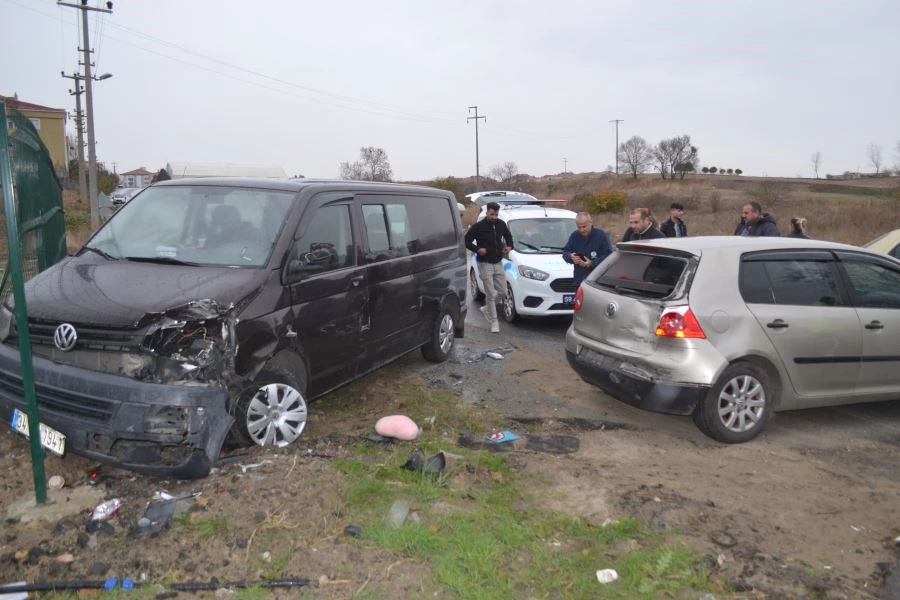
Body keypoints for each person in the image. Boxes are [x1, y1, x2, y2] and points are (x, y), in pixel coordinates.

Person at [464, 201, 513, 333]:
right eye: (492, 214)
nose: (494, 217)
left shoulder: (501, 224)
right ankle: (494, 322)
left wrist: (509, 246)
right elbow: (466, 241)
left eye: (496, 215)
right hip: (484, 263)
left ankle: (486, 309)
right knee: (490, 293)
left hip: (498, 262)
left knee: (502, 291)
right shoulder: (478, 226)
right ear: (487, 212)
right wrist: (477, 249)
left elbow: (509, 237)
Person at [563, 212, 613, 287]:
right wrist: (571, 257)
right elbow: (565, 252)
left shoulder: (601, 236)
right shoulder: (574, 236)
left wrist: (591, 263)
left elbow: (609, 256)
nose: (582, 230)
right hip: (579, 282)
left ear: (590, 223)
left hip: (596, 282)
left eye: (584, 227)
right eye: (579, 227)